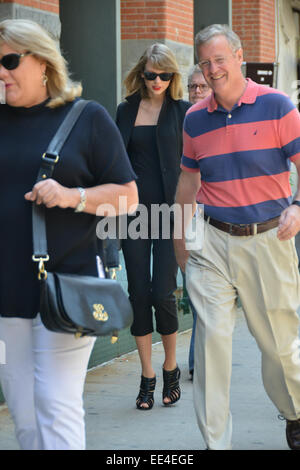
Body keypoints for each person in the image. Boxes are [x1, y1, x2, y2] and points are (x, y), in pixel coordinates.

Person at [0, 18, 138, 450]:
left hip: (65, 289)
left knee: (55, 407)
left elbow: (129, 198)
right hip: (5, 295)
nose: (0, 72)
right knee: (23, 415)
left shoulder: (87, 118)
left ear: (41, 61)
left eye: (8, 60)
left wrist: (73, 196)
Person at [174, 23, 300, 450]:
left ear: (239, 56)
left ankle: (296, 412)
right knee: (211, 349)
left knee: (281, 349)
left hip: (269, 241)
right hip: (211, 243)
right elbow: (187, 187)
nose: (212, 69)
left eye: (219, 59)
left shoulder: (278, 107)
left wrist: (297, 207)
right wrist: (182, 246)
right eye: (205, 63)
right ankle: (216, 445)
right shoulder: (194, 119)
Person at [116, 43, 191, 410]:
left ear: (172, 76)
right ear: (141, 74)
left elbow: (195, 167)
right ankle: (147, 375)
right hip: (131, 214)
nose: (158, 80)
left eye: (165, 74)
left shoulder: (183, 112)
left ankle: (170, 366)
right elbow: (114, 162)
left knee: (163, 292)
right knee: (138, 293)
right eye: (151, 74)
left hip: (168, 214)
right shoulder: (126, 110)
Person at [186, 64, 212, 379]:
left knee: (203, 294)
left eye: (202, 87)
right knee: (189, 292)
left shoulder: (214, 124)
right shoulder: (185, 121)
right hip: (179, 216)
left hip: (208, 217)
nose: (196, 92)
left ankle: (198, 361)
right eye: (193, 86)